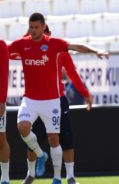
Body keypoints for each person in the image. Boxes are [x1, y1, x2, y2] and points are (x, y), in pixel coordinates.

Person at [7, 13, 108, 184]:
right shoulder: (23, 44)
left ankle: (60, 177)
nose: (32, 31)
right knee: (24, 129)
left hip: (53, 100)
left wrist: (96, 51)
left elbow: (75, 50)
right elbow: (5, 52)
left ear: (44, 27)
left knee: (56, 138)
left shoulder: (55, 46)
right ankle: (38, 161)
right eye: (30, 27)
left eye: (36, 27)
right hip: (30, 99)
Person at [21, 26, 93, 184]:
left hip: (57, 99)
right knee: (33, 139)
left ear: (49, 34)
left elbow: (72, 72)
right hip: (34, 100)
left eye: (43, 32)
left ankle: (70, 176)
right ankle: (31, 174)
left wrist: (85, 93)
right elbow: (14, 48)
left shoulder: (59, 49)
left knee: (65, 138)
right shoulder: (28, 48)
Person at [0, 40, 10, 184]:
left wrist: (2, 101)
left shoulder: (1, 45)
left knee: (1, 139)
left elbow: (4, 73)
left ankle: (5, 177)